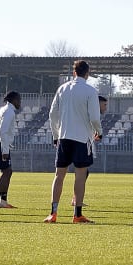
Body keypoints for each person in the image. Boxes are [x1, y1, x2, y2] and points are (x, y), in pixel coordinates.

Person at [46, 60, 103, 224]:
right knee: (80, 176)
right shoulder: (90, 91)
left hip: (64, 137)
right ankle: (77, 214)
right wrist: (99, 132)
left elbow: (52, 114)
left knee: (59, 176)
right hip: (81, 138)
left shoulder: (62, 88)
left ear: (74, 72)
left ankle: (53, 213)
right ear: (88, 73)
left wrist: (56, 135)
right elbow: (94, 117)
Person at [0, 91, 21, 208]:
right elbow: (3, 132)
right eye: (19, 100)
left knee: (8, 171)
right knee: (6, 172)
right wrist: (5, 151)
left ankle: (3, 200)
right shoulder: (9, 112)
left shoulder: (4, 109)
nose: (20, 102)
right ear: (13, 100)